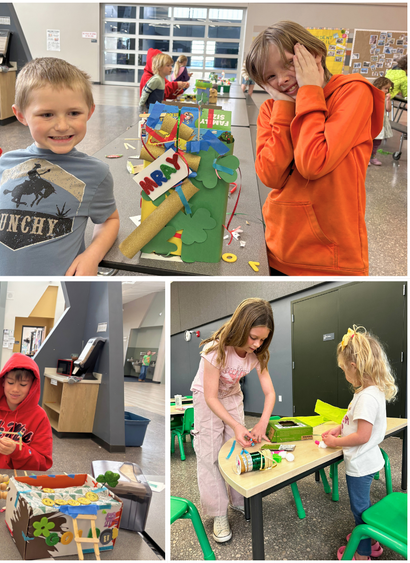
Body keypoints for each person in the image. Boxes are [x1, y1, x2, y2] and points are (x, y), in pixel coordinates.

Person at [245, 21, 383, 276]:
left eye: (289, 64)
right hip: (279, 247)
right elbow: (270, 176)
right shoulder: (272, 109)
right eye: (270, 76)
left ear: (314, 54)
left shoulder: (352, 92)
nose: (283, 79)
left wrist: (309, 90)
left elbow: (313, 163)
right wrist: (285, 107)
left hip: (332, 259)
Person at [0, 58, 120, 276]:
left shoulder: (95, 173)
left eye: (74, 113)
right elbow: (10, 215)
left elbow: (110, 220)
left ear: (90, 111)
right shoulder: (7, 162)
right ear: (21, 115)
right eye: (47, 114)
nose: (62, 125)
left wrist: (92, 255)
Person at [190, 298, 277, 543]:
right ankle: (218, 512)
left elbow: (269, 392)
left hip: (231, 396)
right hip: (207, 399)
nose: (257, 344)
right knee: (209, 455)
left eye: (262, 339)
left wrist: (261, 423)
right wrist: (237, 424)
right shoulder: (215, 350)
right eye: (253, 337)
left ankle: (239, 499)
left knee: (239, 447)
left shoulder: (257, 354)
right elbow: (210, 396)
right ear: (240, 328)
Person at [323, 326, 399, 560]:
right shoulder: (369, 391)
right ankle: (372, 540)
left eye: (344, 369)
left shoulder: (365, 397)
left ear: (354, 367)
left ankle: (363, 551)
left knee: (360, 509)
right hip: (368, 460)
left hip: (360, 465)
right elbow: (355, 423)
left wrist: (336, 442)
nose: (344, 373)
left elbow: (362, 436)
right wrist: (340, 427)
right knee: (364, 507)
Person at [370, 77, 394, 166]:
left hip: (382, 122)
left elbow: (388, 110)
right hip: (373, 121)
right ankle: (366, 157)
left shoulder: (385, 98)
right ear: (379, 86)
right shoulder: (372, 96)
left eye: (388, 89)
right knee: (370, 140)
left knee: (377, 141)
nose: (387, 91)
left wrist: (388, 100)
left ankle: (373, 157)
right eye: (386, 88)